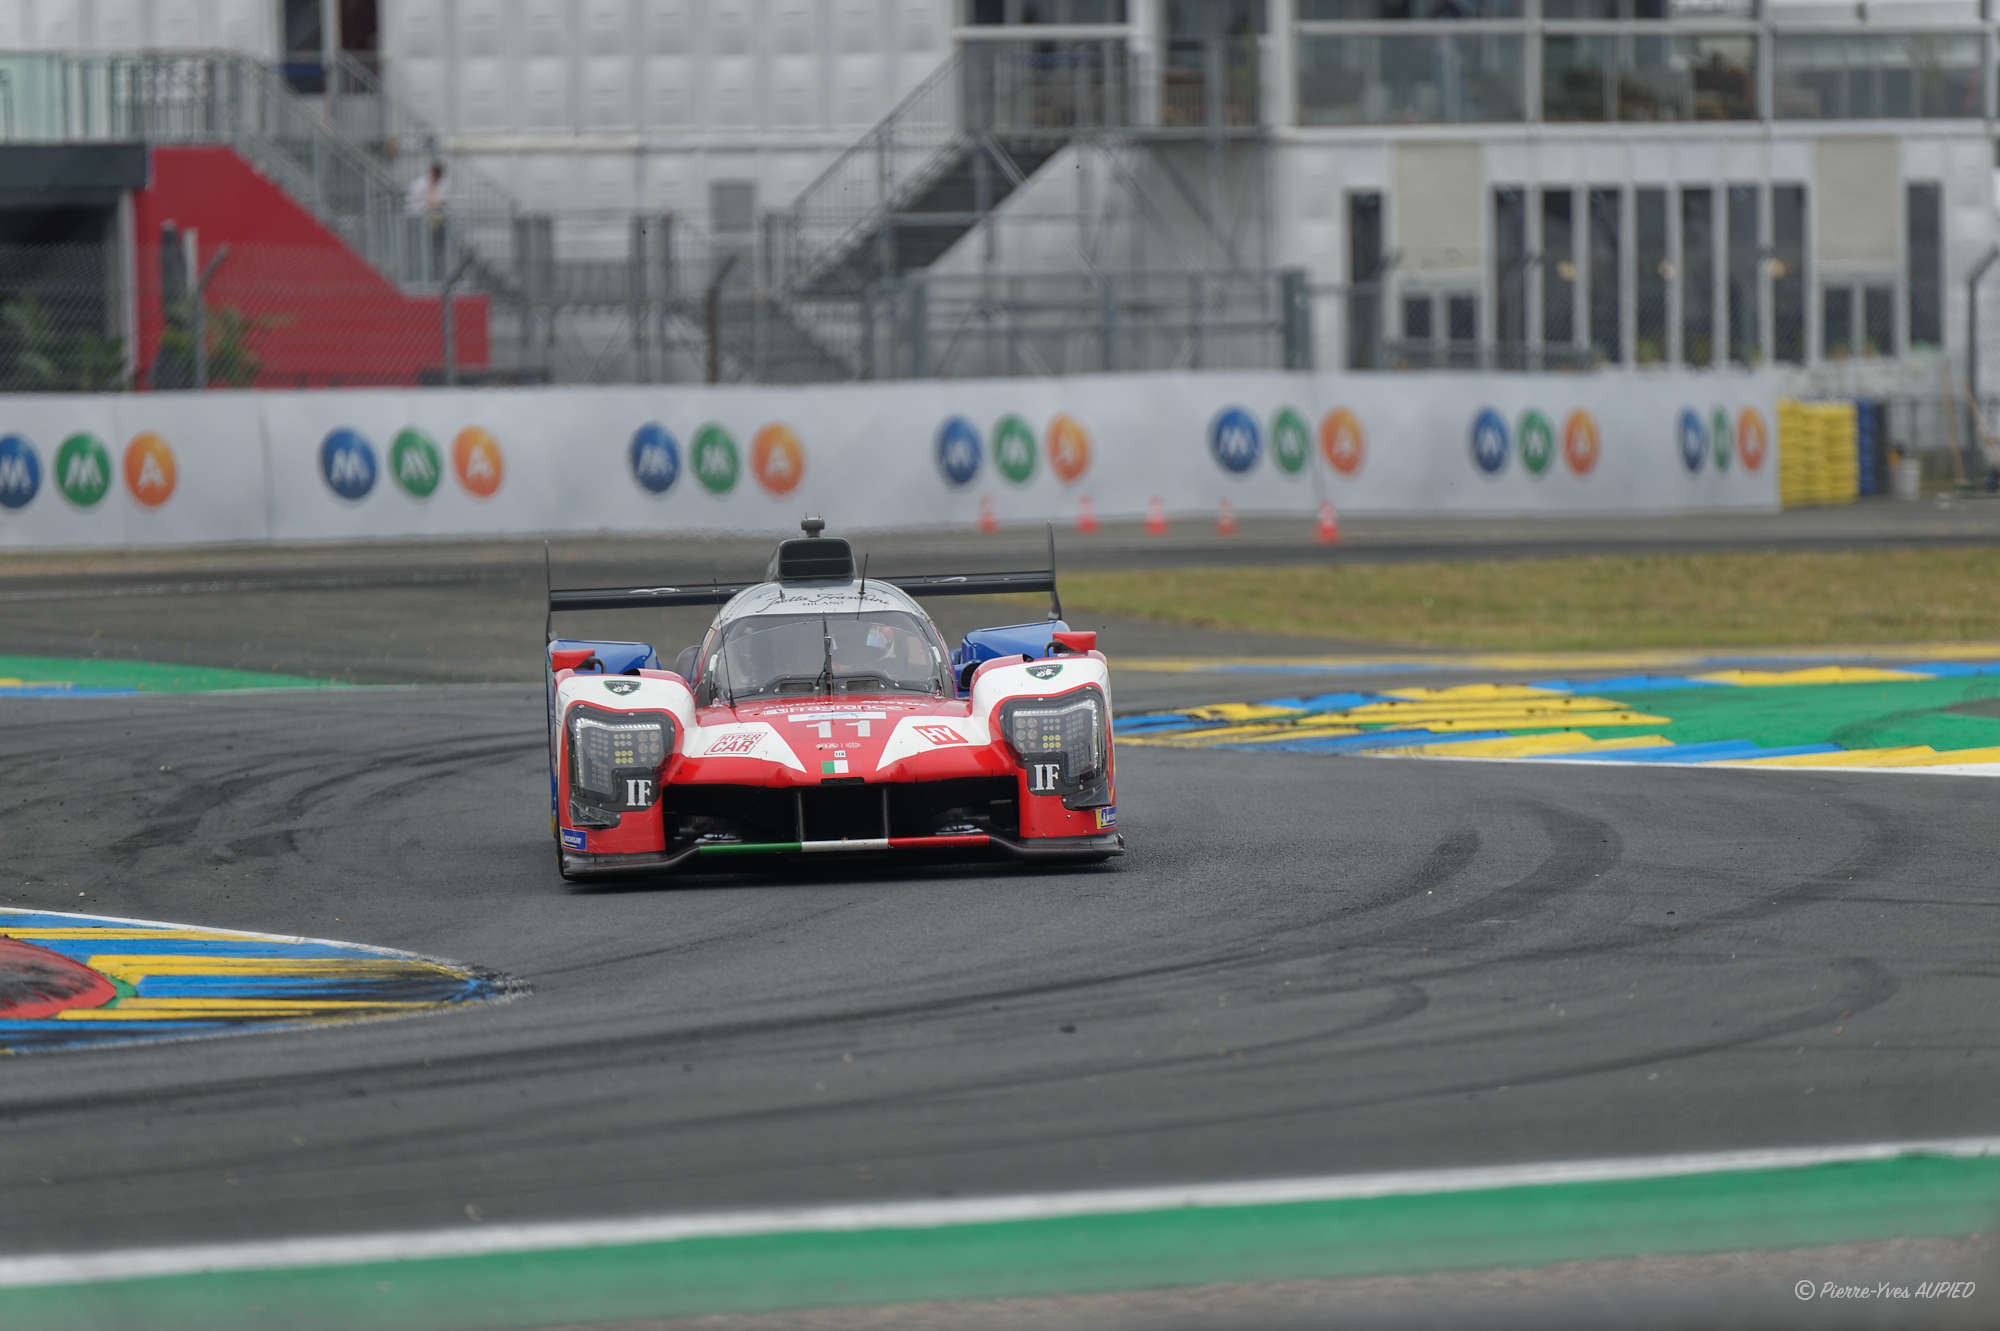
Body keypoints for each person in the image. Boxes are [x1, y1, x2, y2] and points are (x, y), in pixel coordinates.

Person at [406, 160, 449, 279]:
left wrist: (435, 205)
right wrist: (428, 205)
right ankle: (417, 274)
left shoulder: (442, 183)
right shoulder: (419, 184)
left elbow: (443, 201)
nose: (437, 179)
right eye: (436, 176)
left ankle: (436, 273)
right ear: (432, 173)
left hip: (435, 220)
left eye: (439, 177)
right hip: (419, 219)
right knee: (419, 248)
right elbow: (414, 201)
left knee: (436, 247)